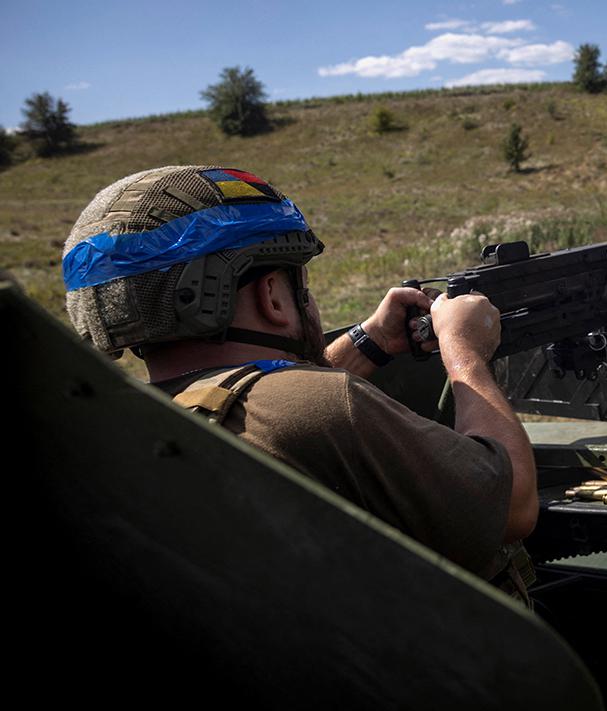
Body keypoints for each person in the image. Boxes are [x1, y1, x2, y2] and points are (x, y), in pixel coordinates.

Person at [61, 165, 538, 584]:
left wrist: (369, 340)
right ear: (271, 294)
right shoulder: (328, 406)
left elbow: (251, 397)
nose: (307, 301)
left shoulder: (135, 422)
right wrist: (465, 351)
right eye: (299, 283)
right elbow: (513, 503)